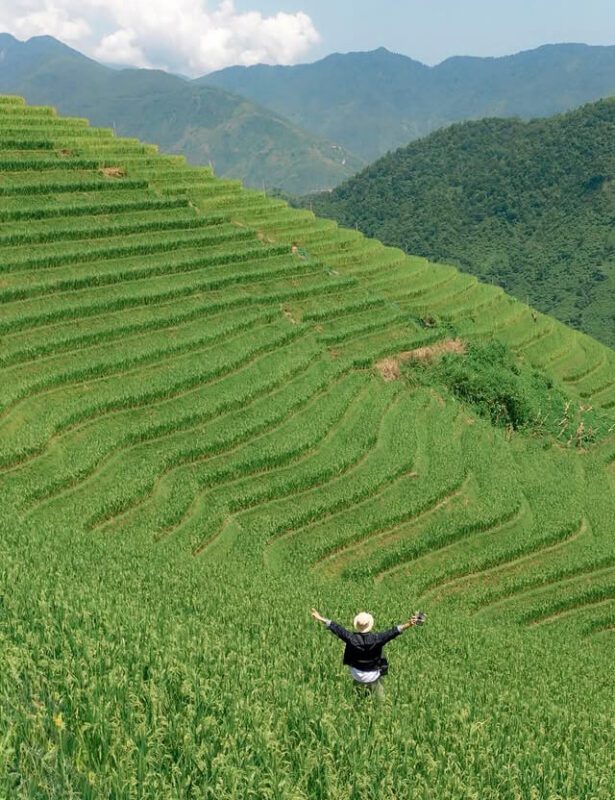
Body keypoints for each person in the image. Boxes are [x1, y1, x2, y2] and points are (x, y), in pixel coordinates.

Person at [310, 608, 424, 699]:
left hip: (357, 675)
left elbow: (337, 628)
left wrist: (320, 618)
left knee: (358, 698)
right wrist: (409, 624)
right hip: (374, 675)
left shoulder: (350, 638)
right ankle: (380, 701)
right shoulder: (378, 639)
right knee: (379, 696)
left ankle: (359, 700)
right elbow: (393, 632)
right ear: (370, 624)